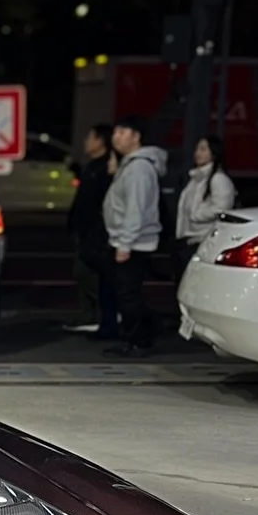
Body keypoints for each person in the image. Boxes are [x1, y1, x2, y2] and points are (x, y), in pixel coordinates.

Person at [102, 115, 167, 355]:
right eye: (115, 133)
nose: (115, 138)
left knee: (128, 294)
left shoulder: (139, 168)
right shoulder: (130, 165)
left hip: (134, 242)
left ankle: (139, 338)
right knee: (126, 292)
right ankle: (138, 336)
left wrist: (125, 244)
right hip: (127, 239)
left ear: (136, 137)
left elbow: (135, 209)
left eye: (122, 132)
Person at [65, 123, 117, 338]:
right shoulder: (92, 167)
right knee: (83, 270)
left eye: (90, 138)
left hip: (97, 231)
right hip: (86, 230)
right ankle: (93, 315)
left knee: (89, 272)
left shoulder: (105, 169)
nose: (86, 142)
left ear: (100, 141)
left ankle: (105, 314)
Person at [174, 134, 237, 282]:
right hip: (188, 239)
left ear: (214, 153)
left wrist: (196, 214)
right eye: (197, 149)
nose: (198, 153)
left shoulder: (218, 179)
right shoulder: (197, 178)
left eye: (203, 149)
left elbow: (221, 207)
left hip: (202, 240)